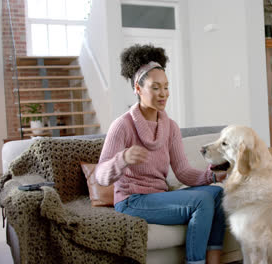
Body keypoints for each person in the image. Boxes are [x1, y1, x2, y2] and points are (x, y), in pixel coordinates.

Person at [95, 44, 226, 264]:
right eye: (156, 88)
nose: (163, 94)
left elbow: (183, 172)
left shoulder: (170, 127)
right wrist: (123, 159)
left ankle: (214, 260)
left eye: (166, 87)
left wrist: (212, 176)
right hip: (131, 200)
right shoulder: (122, 126)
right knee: (202, 200)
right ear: (138, 88)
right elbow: (100, 176)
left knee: (217, 194)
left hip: (158, 195)